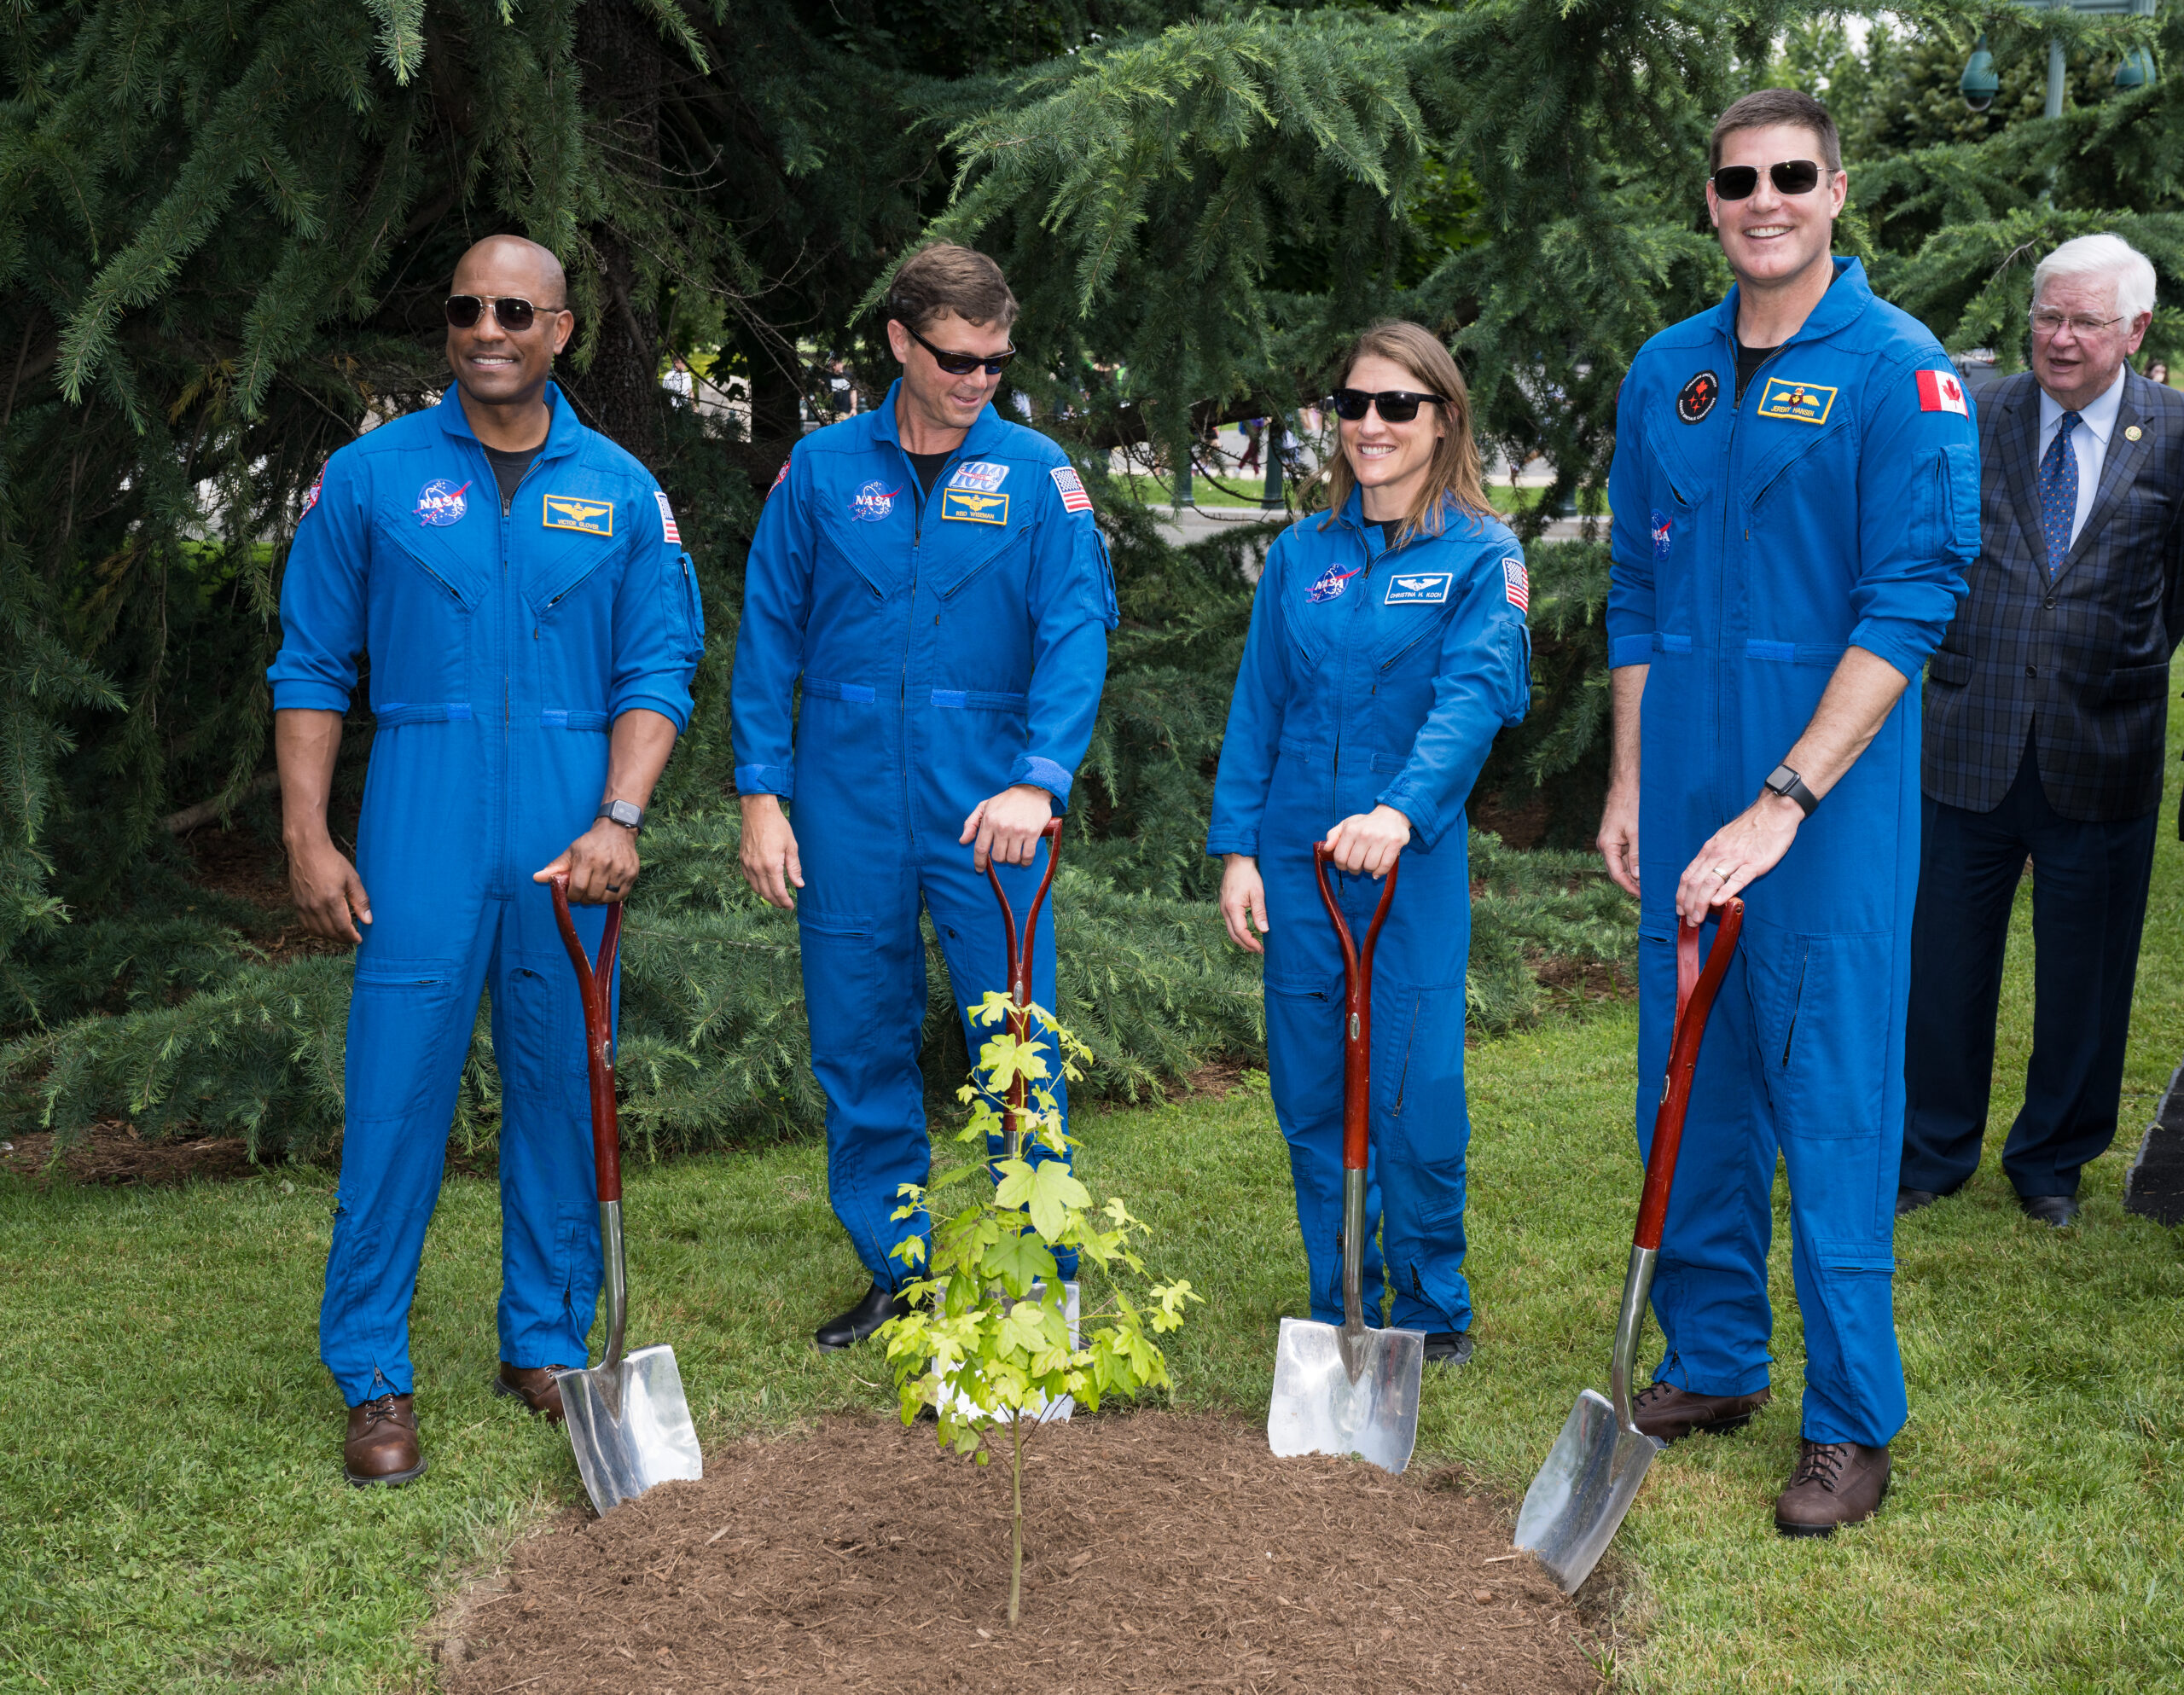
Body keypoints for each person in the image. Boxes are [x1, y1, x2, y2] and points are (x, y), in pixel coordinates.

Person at [1598, 90, 1979, 1536]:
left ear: (1838, 189)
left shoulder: (1901, 370)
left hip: (1825, 802)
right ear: (1707, 199)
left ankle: (1849, 1422)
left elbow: (1914, 602)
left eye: (1792, 177)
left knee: (1826, 1101)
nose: (1764, 200)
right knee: (1686, 1090)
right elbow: (1636, 586)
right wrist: (1635, 780)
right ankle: (1713, 1358)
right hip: (1684, 768)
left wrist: (1785, 796)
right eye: (1737, 179)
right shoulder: (1667, 373)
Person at [270, 235, 705, 1486]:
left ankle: (544, 1338)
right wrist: (308, 829)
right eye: (466, 307)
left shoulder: (622, 490)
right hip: (421, 806)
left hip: (572, 819)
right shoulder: (371, 477)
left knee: (567, 1084)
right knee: (397, 1089)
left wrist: (620, 815)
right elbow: (310, 665)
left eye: (515, 308)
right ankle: (372, 1372)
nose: (487, 327)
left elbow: (656, 669)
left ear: (562, 329)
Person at [732, 242, 1117, 1351]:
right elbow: (767, 639)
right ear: (900, 342)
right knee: (857, 1042)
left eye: (997, 362)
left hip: (987, 797)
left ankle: (1038, 1288)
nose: (978, 382)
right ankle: (900, 1271)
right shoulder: (818, 471)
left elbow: (1077, 635)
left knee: (1018, 1047)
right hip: (846, 794)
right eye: (957, 359)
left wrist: (1039, 782)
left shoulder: (1041, 478)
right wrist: (763, 793)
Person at [1208, 322, 1531, 1368]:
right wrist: (1239, 850)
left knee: (1415, 1094)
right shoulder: (1303, 555)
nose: (1372, 426)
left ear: (1444, 418)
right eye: (1354, 404)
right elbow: (1259, 708)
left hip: (1409, 864)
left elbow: (1476, 695)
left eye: (1399, 405)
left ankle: (1430, 1302)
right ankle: (1338, 1291)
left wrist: (1400, 810)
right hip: (1301, 861)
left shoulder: (1482, 553)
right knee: (1311, 1095)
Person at [1900, 235, 2182, 1228]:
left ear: (2135, 330)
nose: (2058, 340)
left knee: (2086, 972)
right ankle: (1931, 1150)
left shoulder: (2176, 434)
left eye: (2084, 323)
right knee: (1939, 961)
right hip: (1965, 737)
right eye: (2045, 317)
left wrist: (2126, 665)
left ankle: (2051, 1163)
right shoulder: (1973, 416)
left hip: (2101, 746)